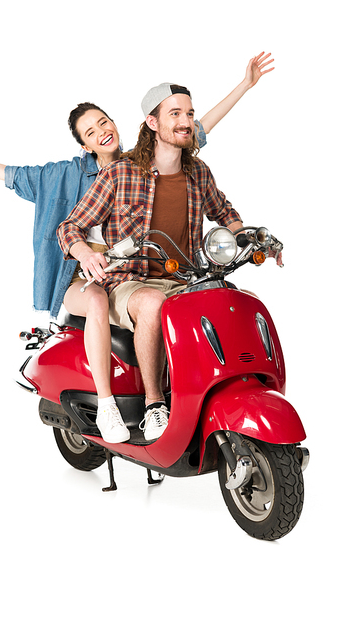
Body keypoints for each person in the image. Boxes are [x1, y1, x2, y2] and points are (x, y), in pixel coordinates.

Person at [0, 52, 274, 442]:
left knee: (239, 299)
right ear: (86, 143)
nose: (101, 131)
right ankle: (131, 404)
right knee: (116, 303)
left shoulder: (170, 160)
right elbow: (24, 185)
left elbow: (196, 138)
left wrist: (245, 85)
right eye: (91, 131)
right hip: (108, 275)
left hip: (177, 273)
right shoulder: (86, 174)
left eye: (104, 121)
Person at [58, 78, 280, 443]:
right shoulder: (120, 172)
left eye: (190, 114)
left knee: (235, 299)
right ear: (152, 122)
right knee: (152, 302)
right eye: (175, 113)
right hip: (128, 282)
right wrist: (84, 253)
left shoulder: (198, 173)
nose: (185, 121)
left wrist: (257, 239)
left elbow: (226, 214)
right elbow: (71, 226)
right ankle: (155, 405)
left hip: (184, 278)